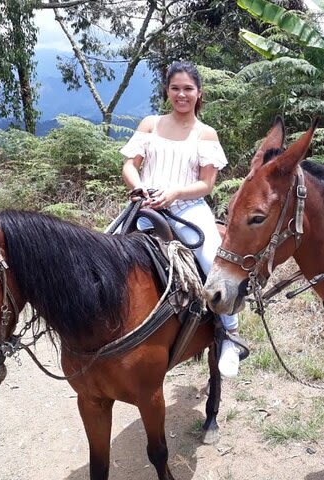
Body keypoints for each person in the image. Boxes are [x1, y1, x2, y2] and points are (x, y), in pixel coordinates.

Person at [119, 60, 243, 378]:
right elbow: (129, 166)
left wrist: (174, 194)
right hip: (147, 207)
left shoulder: (205, 133)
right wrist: (141, 186)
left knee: (213, 258)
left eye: (188, 88)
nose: (181, 94)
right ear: (167, 91)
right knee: (109, 251)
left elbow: (207, 183)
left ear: (199, 92)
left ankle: (229, 334)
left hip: (189, 208)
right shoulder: (150, 124)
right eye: (175, 88)